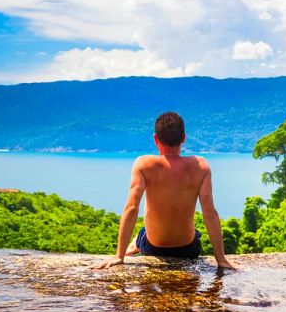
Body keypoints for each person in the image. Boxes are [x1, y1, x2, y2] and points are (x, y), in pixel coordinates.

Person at [93, 111, 235, 270]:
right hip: (189, 249)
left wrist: (119, 256)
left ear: (155, 139)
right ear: (184, 138)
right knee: (195, 232)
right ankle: (138, 241)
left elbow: (132, 208)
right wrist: (221, 259)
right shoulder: (201, 166)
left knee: (143, 231)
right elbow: (210, 213)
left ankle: (135, 244)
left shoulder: (143, 164)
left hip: (153, 248)